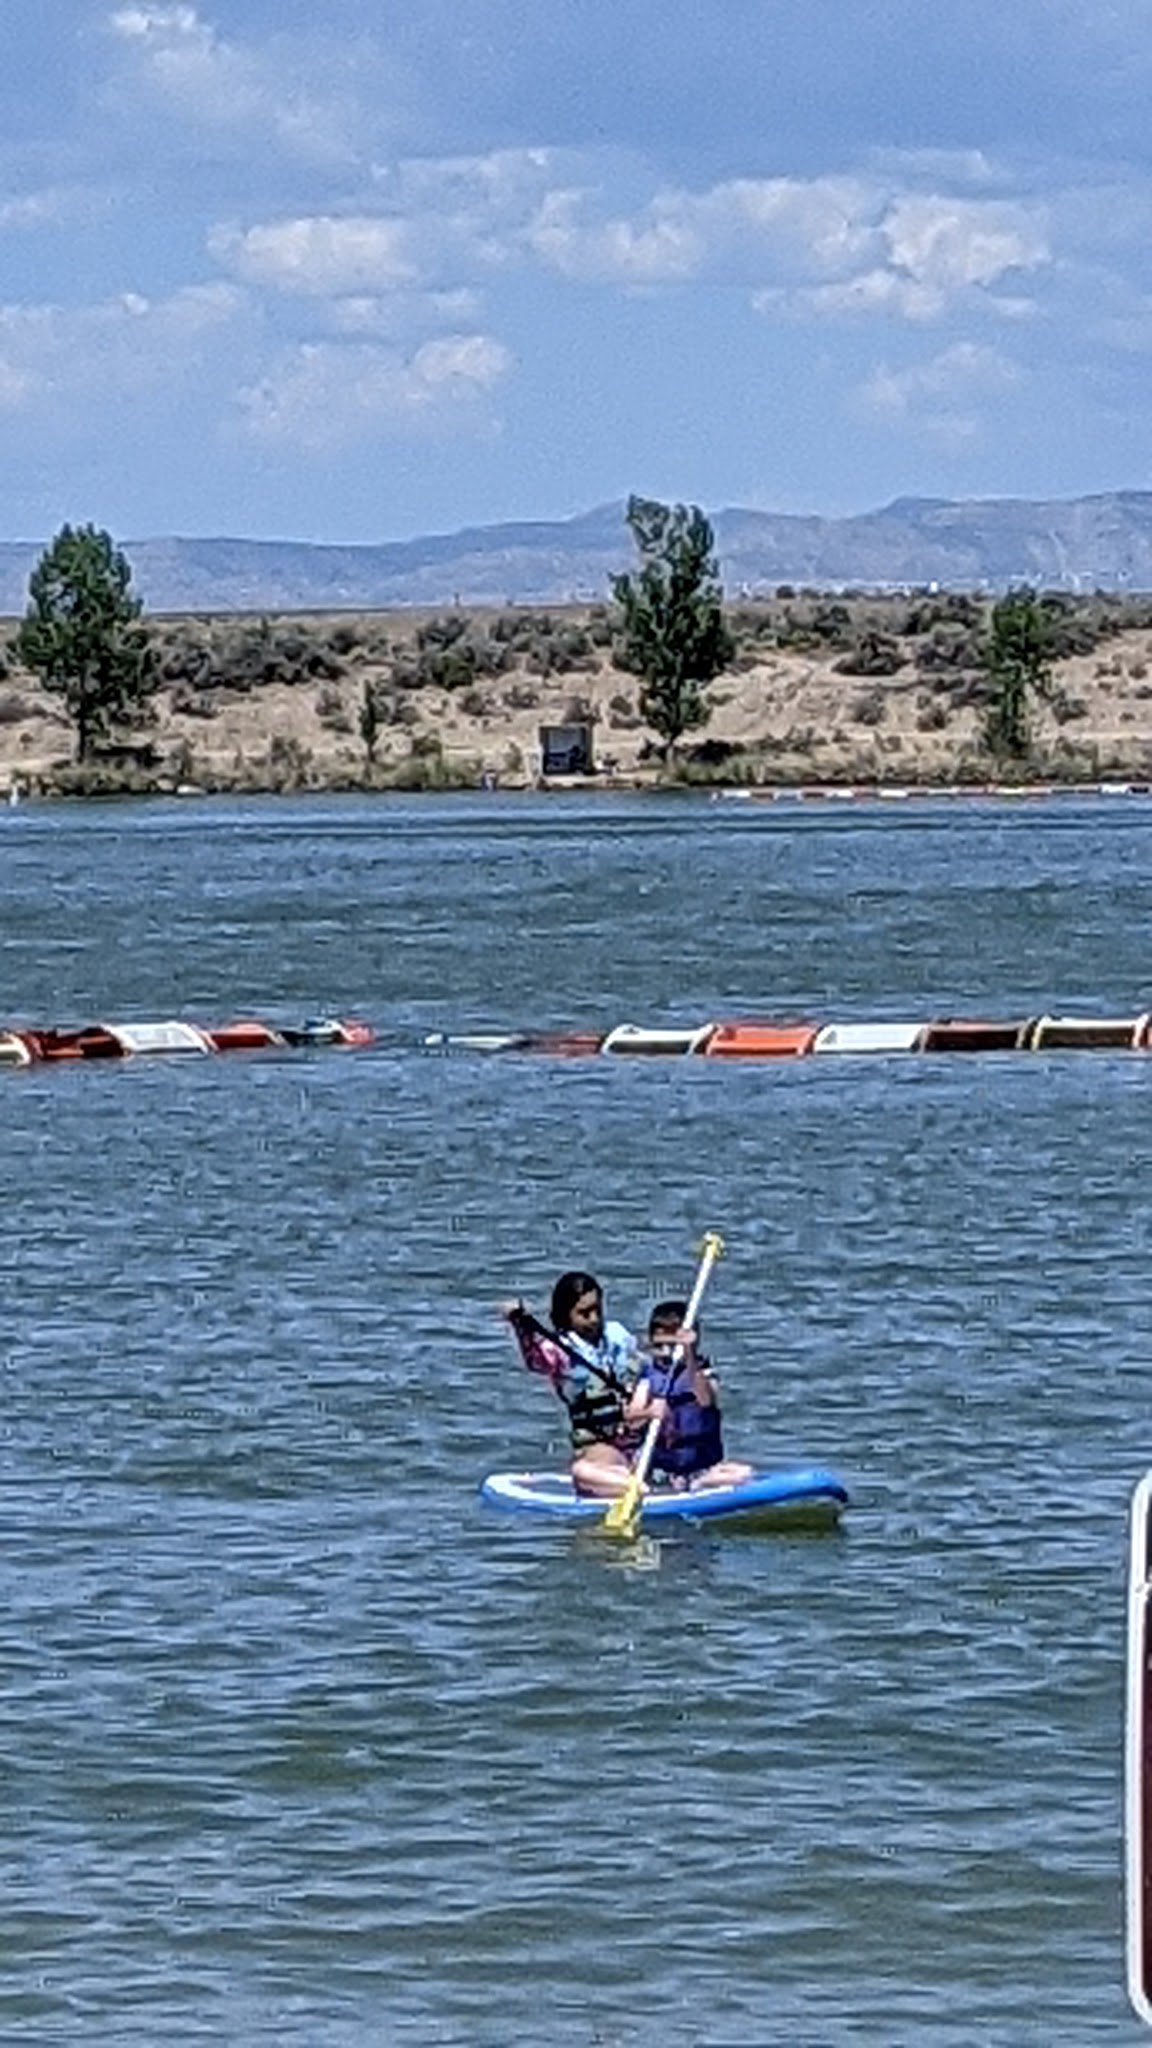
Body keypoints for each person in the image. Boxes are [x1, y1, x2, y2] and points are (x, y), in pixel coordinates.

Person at [503, 1271, 665, 1498]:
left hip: (639, 1442)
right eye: (584, 1313)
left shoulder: (618, 1336)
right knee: (581, 1471)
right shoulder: (559, 1349)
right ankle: (631, 1484)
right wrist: (520, 1325)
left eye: (597, 1310)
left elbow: (650, 1371)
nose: (594, 1319)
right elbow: (536, 1361)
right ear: (566, 1315)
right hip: (598, 1447)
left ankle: (635, 1481)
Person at [633, 1298, 754, 1491]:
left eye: (674, 1344)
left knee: (744, 1473)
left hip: (701, 1466)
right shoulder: (648, 1377)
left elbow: (705, 1401)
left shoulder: (702, 1372)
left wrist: (689, 1355)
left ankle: (698, 1484)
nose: (668, 1352)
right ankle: (654, 1486)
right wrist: (650, 1412)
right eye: (663, 1344)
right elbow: (633, 1418)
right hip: (662, 1467)